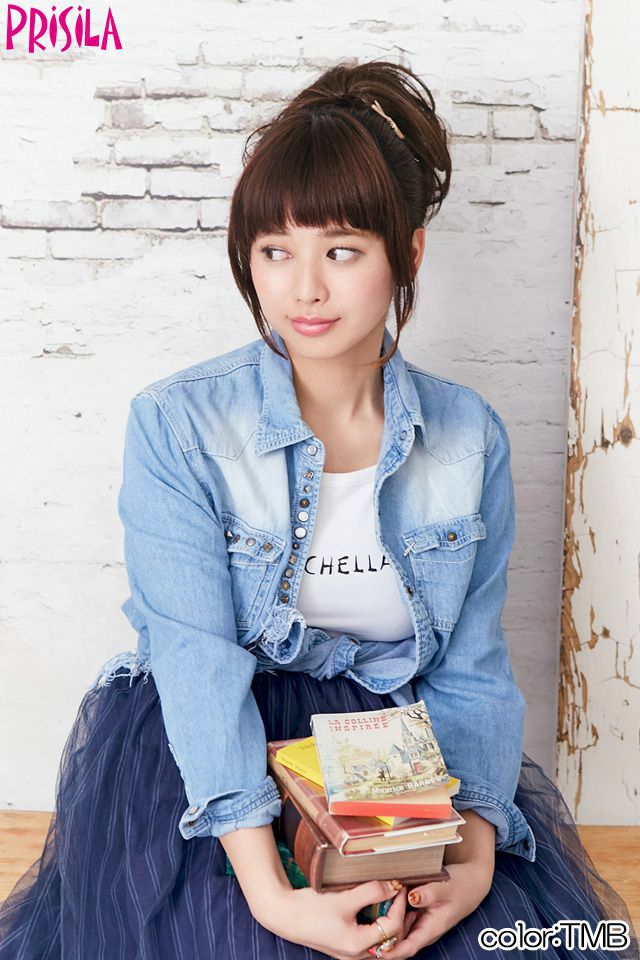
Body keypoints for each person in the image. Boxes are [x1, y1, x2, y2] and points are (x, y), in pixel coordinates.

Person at [0, 59, 637, 960]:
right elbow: (196, 659)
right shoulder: (180, 424)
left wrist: (471, 857)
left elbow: (472, 668)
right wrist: (272, 896)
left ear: (408, 253)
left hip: (391, 759)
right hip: (219, 753)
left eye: (340, 251)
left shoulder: (468, 437)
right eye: (274, 251)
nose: (303, 289)